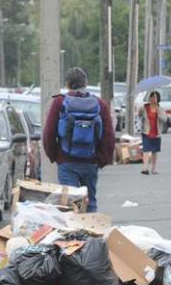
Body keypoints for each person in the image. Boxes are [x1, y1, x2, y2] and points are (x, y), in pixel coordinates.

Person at [42, 67, 116, 212]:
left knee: (72, 203)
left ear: (67, 83)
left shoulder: (59, 102)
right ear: (86, 83)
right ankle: (90, 231)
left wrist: (55, 156)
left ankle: (76, 232)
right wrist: (101, 160)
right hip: (90, 161)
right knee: (90, 201)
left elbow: (49, 132)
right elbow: (109, 137)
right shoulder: (99, 104)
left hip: (67, 161)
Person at [137, 90, 167, 175]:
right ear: (149, 98)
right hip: (146, 132)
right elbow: (139, 115)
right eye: (152, 97)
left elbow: (165, 119)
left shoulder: (160, 109)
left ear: (158, 99)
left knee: (154, 151)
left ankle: (153, 169)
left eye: (155, 97)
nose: (153, 99)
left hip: (156, 132)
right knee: (146, 150)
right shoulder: (144, 107)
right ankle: (145, 168)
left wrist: (159, 113)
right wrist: (139, 111)